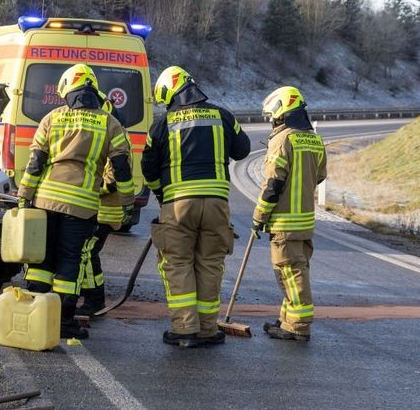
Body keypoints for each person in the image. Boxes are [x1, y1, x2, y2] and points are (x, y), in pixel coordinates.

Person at [18, 64, 133, 340]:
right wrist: (126, 201)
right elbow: (121, 167)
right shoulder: (110, 123)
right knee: (70, 263)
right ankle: (63, 323)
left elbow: (35, 163)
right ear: (93, 90)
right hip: (81, 207)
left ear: (66, 88)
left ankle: (34, 317)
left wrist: (24, 197)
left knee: (41, 260)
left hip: (45, 202)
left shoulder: (51, 118)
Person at [142, 66, 250, 348]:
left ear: (168, 93)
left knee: (177, 263)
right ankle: (206, 329)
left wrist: (161, 195)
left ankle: (184, 329)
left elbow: (148, 168)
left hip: (177, 205)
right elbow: (243, 150)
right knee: (210, 263)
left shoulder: (162, 124)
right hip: (217, 204)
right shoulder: (222, 115)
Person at [253, 86, 327, 342]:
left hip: (284, 222)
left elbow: (273, 183)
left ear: (282, 111)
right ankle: (287, 320)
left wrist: (258, 217)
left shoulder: (282, 140)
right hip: (305, 222)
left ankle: (298, 326)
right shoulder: (314, 139)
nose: (272, 120)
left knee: (290, 273)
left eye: (273, 115)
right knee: (295, 271)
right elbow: (320, 175)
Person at [75, 94, 134, 316]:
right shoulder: (115, 134)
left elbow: (112, 179)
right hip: (100, 210)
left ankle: (94, 300)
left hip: (105, 211)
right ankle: (89, 294)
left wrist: (86, 188)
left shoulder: (116, 138)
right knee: (88, 252)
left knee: (87, 252)